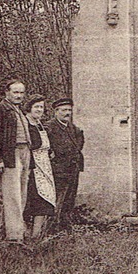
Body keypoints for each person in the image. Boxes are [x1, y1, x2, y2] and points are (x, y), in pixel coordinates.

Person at [0, 78, 31, 244]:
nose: (19, 95)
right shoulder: (0, 109)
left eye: (21, 92)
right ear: (7, 92)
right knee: (12, 194)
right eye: (15, 92)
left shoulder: (18, 110)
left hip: (24, 151)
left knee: (22, 192)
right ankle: (14, 236)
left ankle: (18, 229)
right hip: (10, 154)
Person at [46, 97, 84, 232]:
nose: (67, 113)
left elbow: (79, 144)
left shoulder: (73, 129)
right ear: (56, 112)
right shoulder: (49, 128)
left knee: (69, 200)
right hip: (58, 170)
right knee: (57, 200)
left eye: (69, 110)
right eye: (64, 110)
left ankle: (65, 228)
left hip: (72, 169)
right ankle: (52, 229)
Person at [23, 95, 56, 240]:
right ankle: (26, 234)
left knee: (44, 200)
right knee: (33, 199)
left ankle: (37, 235)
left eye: (41, 107)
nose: (39, 110)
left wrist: (49, 151)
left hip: (44, 167)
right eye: (36, 106)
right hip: (31, 167)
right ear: (29, 107)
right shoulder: (25, 124)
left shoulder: (39, 124)